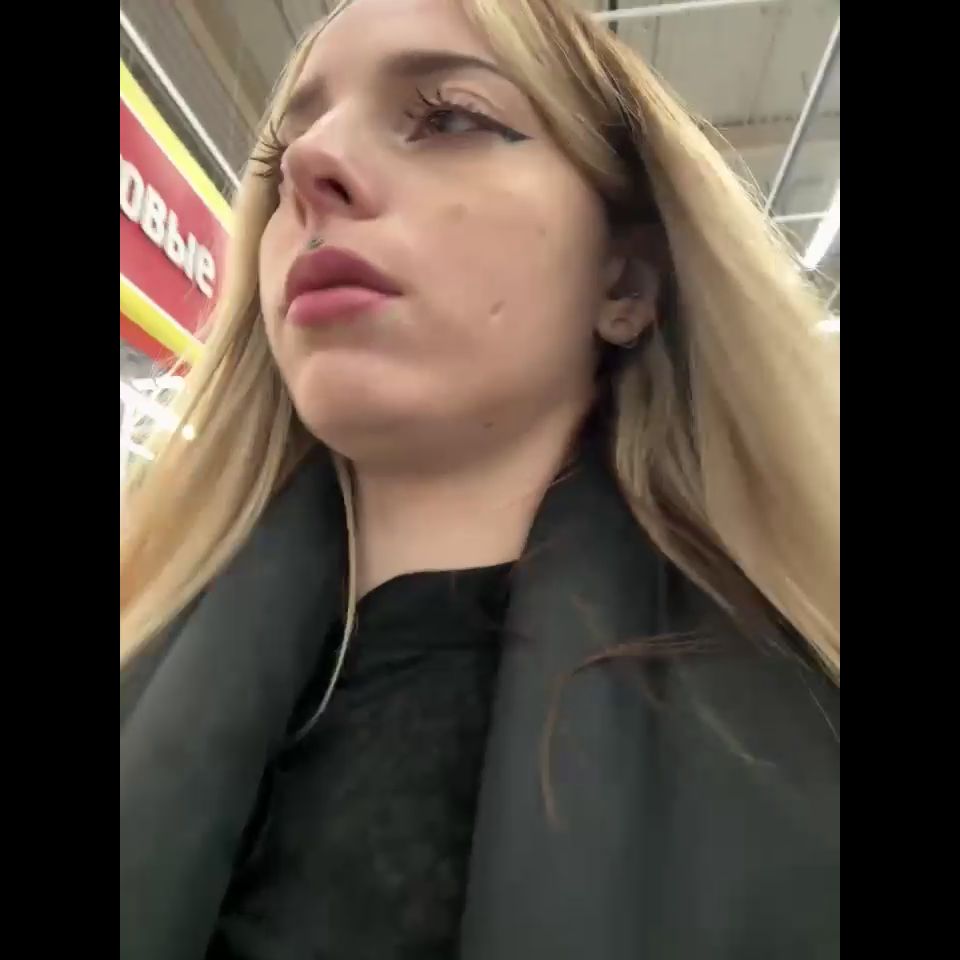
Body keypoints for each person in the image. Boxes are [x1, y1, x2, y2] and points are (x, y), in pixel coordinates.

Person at [119, 0, 840, 957]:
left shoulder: (799, 736)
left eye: (449, 116)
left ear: (624, 282)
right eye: (281, 149)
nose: (307, 164)